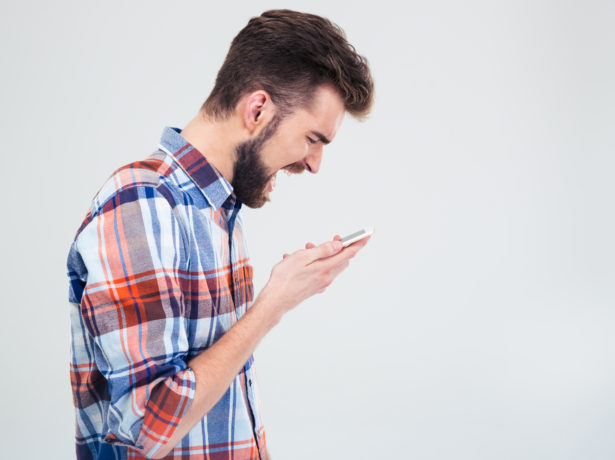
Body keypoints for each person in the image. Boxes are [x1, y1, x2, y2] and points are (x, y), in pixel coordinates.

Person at [66, 9, 374, 460]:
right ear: (259, 109)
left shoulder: (219, 211)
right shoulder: (142, 204)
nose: (314, 163)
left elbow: (224, 406)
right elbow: (148, 426)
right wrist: (273, 304)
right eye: (313, 138)